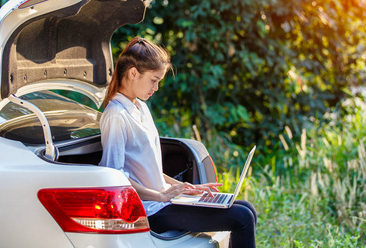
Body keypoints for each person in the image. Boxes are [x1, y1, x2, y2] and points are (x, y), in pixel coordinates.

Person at [99, 37, 257, 248]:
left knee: (247, 209)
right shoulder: (116, 115)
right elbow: (116, 178)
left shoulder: (140, 107)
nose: (156, 87)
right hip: (151, 211)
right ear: (134, 73)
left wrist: (185, 188)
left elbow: (149, 170)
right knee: (242, 218)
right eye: (154, 80)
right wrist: (161, 195)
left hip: (163, 202)